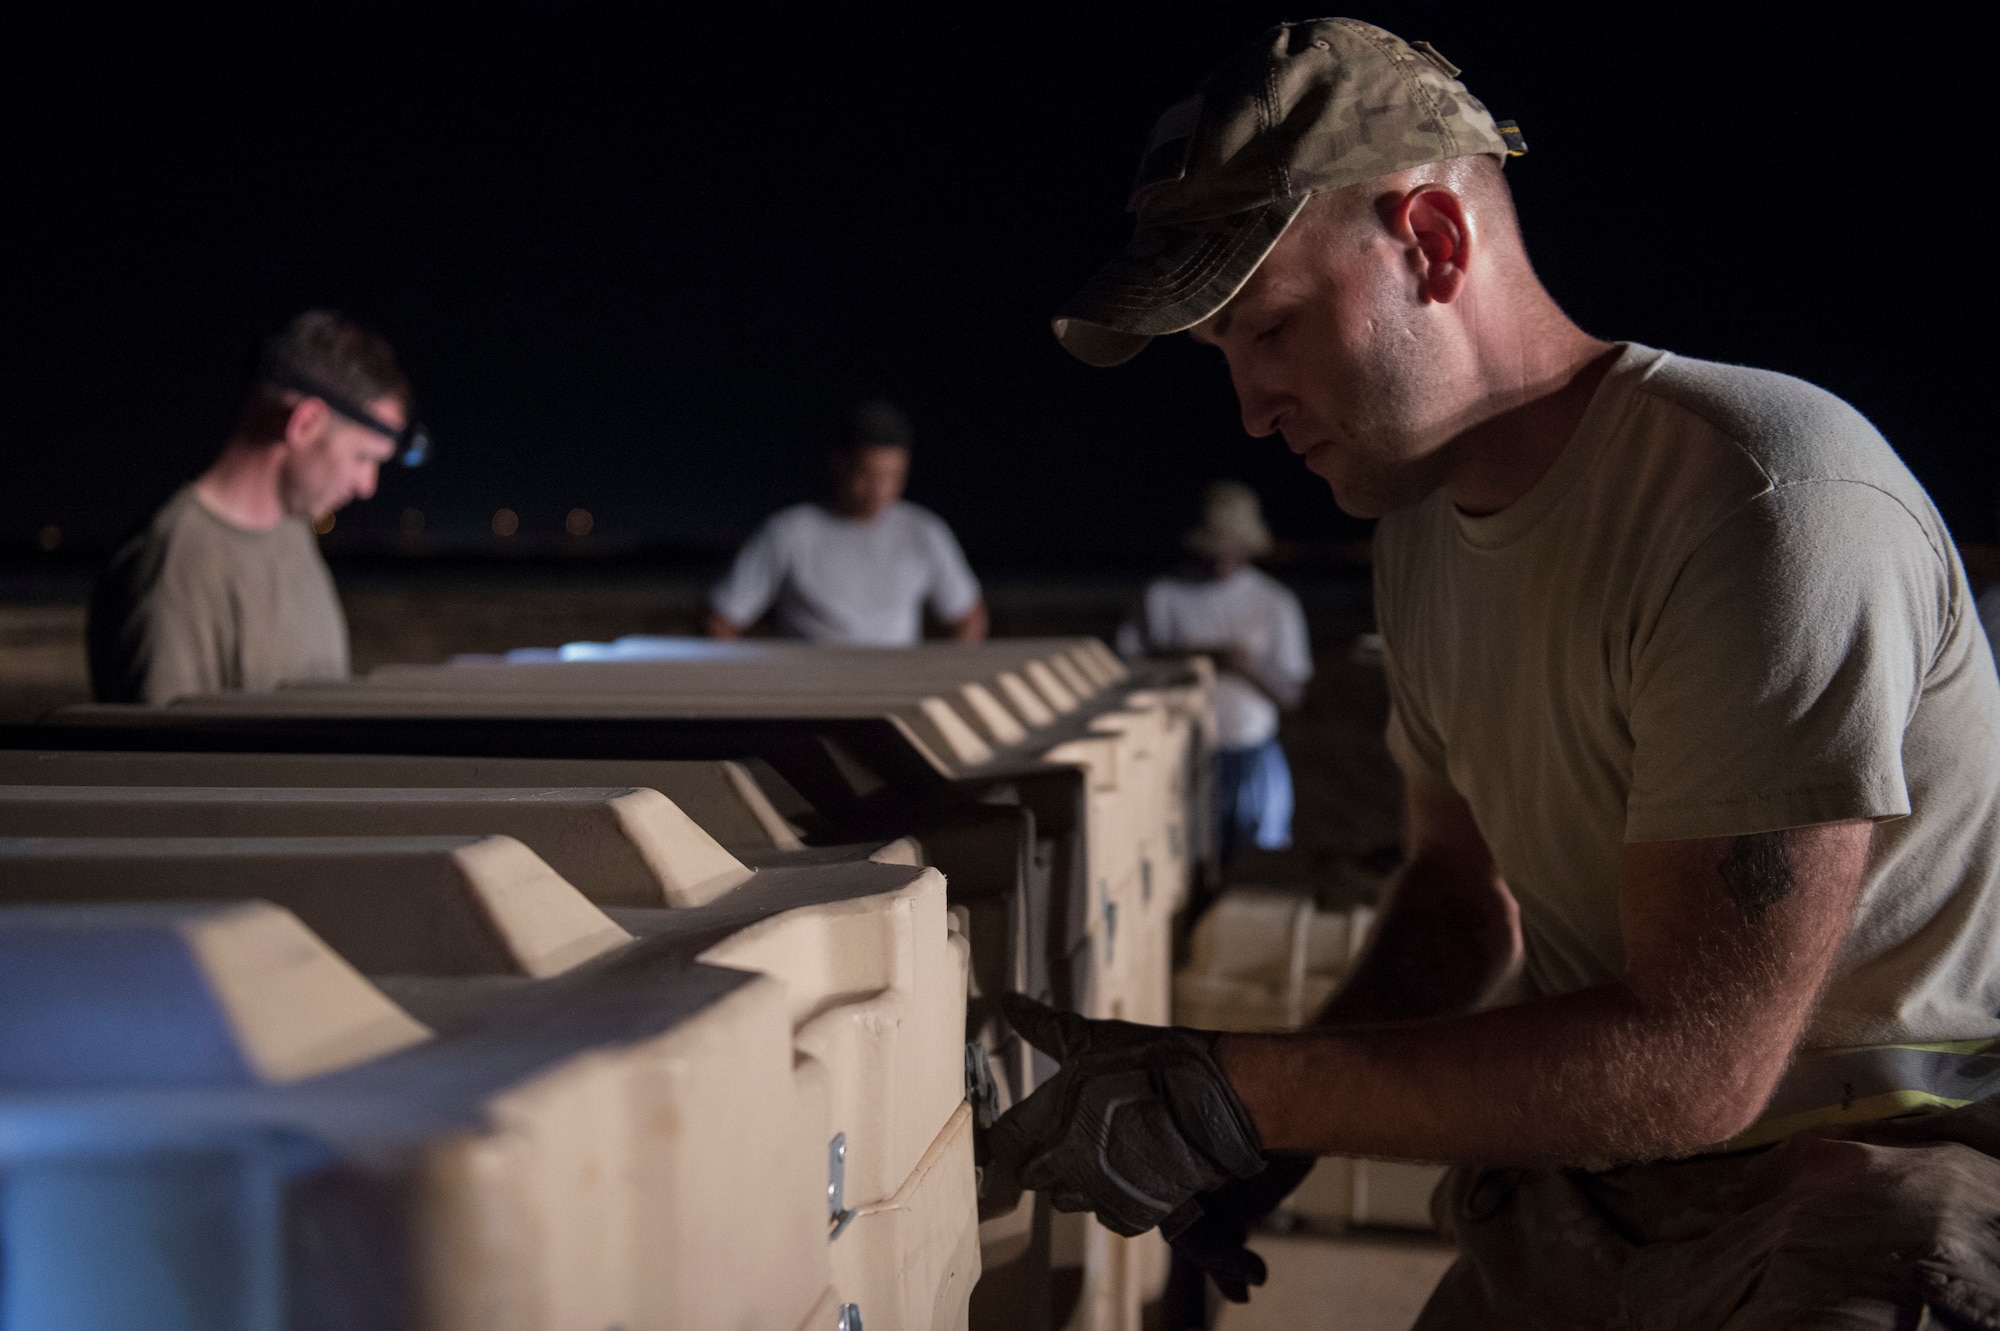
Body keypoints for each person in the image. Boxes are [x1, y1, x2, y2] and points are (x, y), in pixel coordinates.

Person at [986, 18, 2000, 1329]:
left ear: (1433, 245)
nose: (1248, 405)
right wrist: (1253, 1146)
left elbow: (1698, 1059)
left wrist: (1237, 1088)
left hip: (1869, 1183)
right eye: (1222, 356)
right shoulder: (1420, 536)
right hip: (1597, 1186)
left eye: (1273, 327)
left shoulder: (1760, 502)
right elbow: (1463, 910)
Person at [88, 310, 424, 704]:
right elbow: (164, 762)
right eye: (362, 458)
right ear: (305, 424)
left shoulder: (292, 530)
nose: (367, 486)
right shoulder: (173, 566)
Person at [1118, 481, 1311, 863]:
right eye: (1213, 546)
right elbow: (1126, 671)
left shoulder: (1274, 601)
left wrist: (1246, 666)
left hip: (1251, 751)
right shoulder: (1163, 593)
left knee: (1255, 859)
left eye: (1231, 546)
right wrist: (1187, 659)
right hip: (1173, 753)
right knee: (1180, 862)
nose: (1221, 558)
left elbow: (1293, 693)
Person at [707, 399, 988, 645]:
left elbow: (968, 617)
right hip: (811, 693)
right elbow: (722, 619)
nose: (880, 490)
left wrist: (941, 678)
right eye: (868, 475)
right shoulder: (789, 532)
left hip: (898, 689)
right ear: (840, 463)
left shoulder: (923, 531)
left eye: (893, 476)